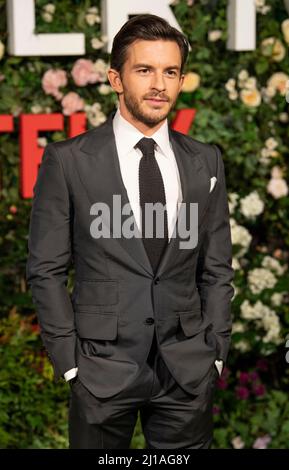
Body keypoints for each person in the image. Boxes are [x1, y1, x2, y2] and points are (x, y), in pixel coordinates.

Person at [26, 13, 234, 449]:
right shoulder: (69, 161)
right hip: (101, 370)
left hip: (187, 371)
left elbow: (216, 268)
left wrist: (214, 352)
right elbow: (45, 271)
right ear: (116, 79)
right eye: (145, 70)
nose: (159, 84)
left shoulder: (205, 161)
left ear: (181, 81)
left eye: (170, 72)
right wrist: (70, 364)